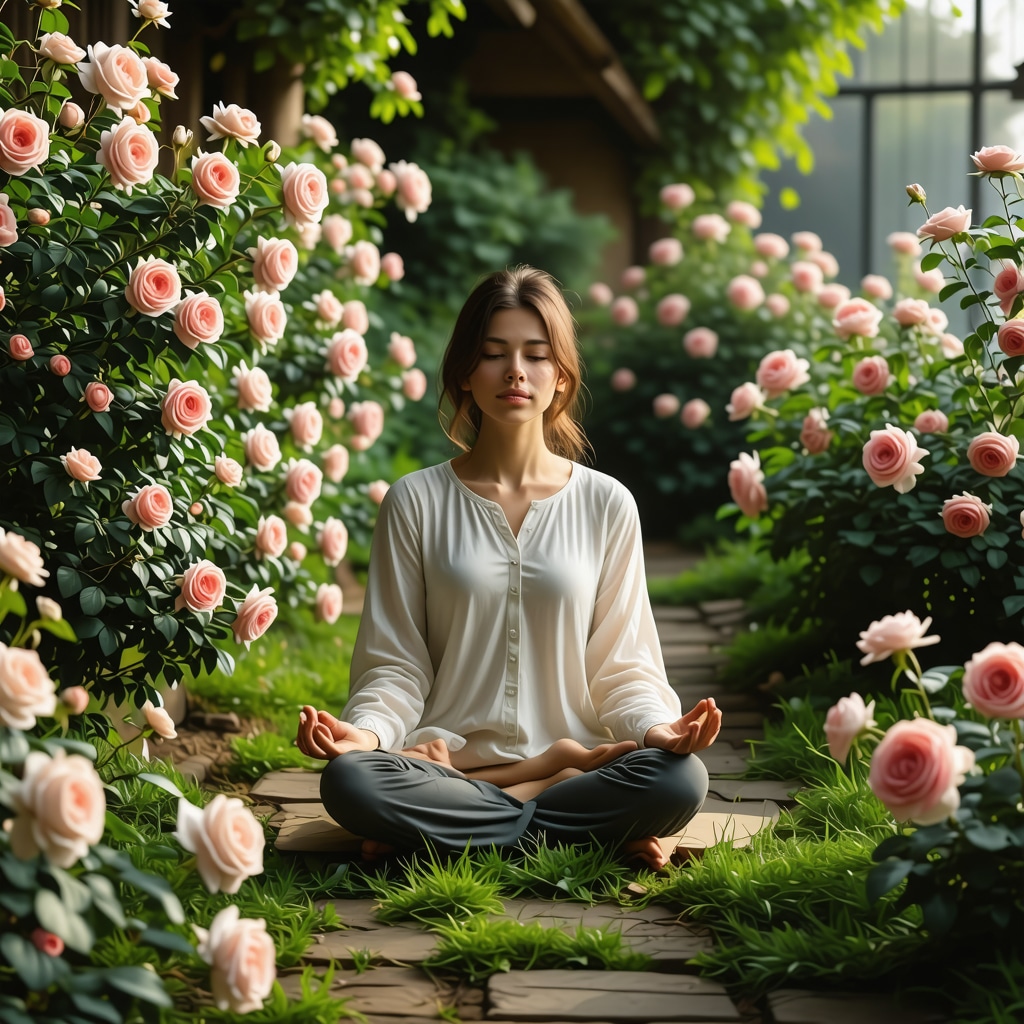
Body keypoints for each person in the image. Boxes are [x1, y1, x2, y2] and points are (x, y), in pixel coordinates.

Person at [296, 266, 722, 869]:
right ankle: (549, 798)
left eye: (536, 355)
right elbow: (396, 666)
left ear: (562, 377)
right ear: (466, 373)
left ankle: (472, 818)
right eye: (494, 354)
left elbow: (623, 665)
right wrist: (364, 736)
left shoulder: (606, 504)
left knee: (680, 781)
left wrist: (659, 731)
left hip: (569, 773)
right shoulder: (415, 501)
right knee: (353, 782)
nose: (515, 372)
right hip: (446, 763)